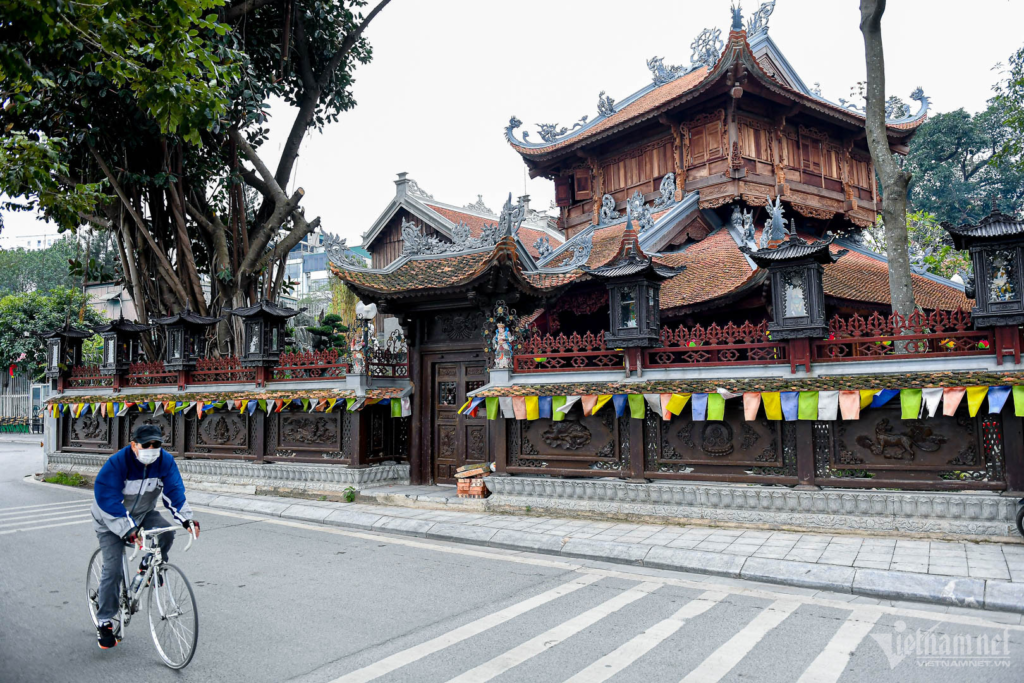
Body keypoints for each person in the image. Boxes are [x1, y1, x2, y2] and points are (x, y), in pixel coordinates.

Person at [91, 423, 199, 650]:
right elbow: (107, 498)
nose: (152, 448)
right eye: (147, 445)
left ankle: (146, 569)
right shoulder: (118, 463)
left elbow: (175, 493)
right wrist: (128, 530)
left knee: (166, 534)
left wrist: (187, 520)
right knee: (113, 569)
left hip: (142, 515)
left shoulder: (165, 462)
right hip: (110, 519)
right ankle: (104, 620)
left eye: (156, 444)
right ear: (134, 445)